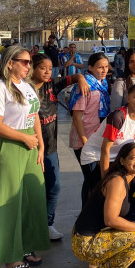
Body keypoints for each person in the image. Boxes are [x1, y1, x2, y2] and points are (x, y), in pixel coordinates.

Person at [0, 45, 49, 268]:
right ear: (9, 63)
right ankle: (11, 258)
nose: (28, 66)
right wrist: (25, 138)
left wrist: (40, 145)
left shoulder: (27, 87)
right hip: (8, 146)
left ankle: (25, 245)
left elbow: (35, 118)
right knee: (9, 202)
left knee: (32, 197)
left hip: (30, 146)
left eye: (30, 62)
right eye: (24, 62)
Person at [72, 143, 135, 268]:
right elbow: (111, 220)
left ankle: (98, 264)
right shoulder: (117, 182)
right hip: (84, 243)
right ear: (122, 160)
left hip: (90, 234)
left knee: (131, 231)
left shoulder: (128, 178)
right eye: (133, 158)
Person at [30, 52, 88, 240]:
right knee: (32, 189)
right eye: (42, 68)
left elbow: (77, 76)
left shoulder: (53, 84)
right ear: (32, 68)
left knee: (54, 187)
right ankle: (31, 226)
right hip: (29, 148)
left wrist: (81, 81)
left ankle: (47, 224)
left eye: (49, 68)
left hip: (51, 147)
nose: (47, 72)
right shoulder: (24, 89)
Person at [80, 83, 135, 198]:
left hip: (117, 157)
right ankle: (87, 214)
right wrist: (105, 179)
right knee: (97, 192)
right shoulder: (118, 117)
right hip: (95, 156)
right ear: (128, 98)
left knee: (115, 192)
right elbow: (105, 149)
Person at [69, 53, 111, 205]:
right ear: (91, 67)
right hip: (84, 140)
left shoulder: (103, 84)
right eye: (100, 67)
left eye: (106, 67)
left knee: (95, 179)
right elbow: (77, 117)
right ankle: (86, 216)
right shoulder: (85, 85)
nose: (104, 70)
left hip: (97, 138)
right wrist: (85, 141)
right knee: (91, 179)